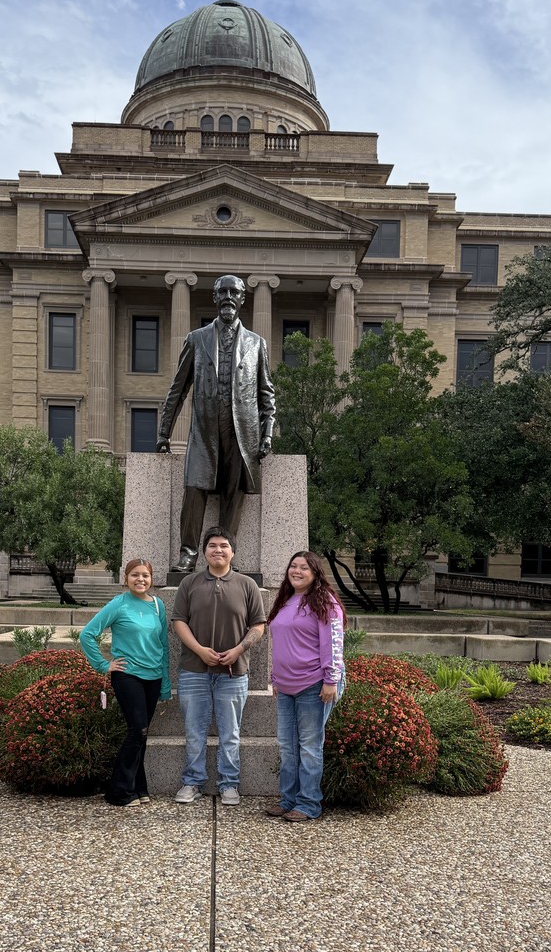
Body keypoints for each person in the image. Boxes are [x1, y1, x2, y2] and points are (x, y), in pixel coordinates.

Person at [156, 274, 276, 573]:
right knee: (194, 490)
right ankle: (188, 552)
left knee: (233, 495)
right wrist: (163, 432)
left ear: (242, 299)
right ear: (214, 298)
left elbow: (267, 394)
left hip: (242, 434)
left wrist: (267, 434)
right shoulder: (196, 339)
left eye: (234, 292)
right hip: (204, 433)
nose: (228, 297)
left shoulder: (256, 343)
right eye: (222, 292)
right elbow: (177, 389)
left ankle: (225, 554)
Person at [171, 526, 266, 806]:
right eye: (212, 545)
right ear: (204, 553)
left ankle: (229, 784)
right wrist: (200, 651)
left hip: (233, 673)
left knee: (230, 732)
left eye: (224, 545)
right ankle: (192, 782)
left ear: (232, 551)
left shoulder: (247, 585)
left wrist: (239, 649)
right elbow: (179, 621)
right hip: (193, 671)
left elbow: (258, 625)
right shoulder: (189, 584)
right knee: (194, 731)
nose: (218, 550)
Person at [80, 558, 171, 808]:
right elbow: (87, 634)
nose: (140, 579)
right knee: (137, 731)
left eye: (145, 575)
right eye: (135, 575)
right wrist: (103, 664)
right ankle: (118, 791)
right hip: (128, 675)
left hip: (153, 678)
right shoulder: (118, 604)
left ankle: (139, 788)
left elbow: (163, 645)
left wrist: (165, 684)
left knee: (141, 734)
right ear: (126, 578)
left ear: (152, 579)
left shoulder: (157, 605)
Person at [265, 550, 346, 822]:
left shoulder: (325, 602)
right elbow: (280, 644)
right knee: (288, 747)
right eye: (293, 566)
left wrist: (331, 679)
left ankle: (309, 804)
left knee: (310, 747)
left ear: (315, 573)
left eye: (304, 568)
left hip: (314, 684)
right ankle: (288, 800)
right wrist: (275, 678)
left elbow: (333, 643)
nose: (297, 571)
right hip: (285, 687)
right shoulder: (286, 600)